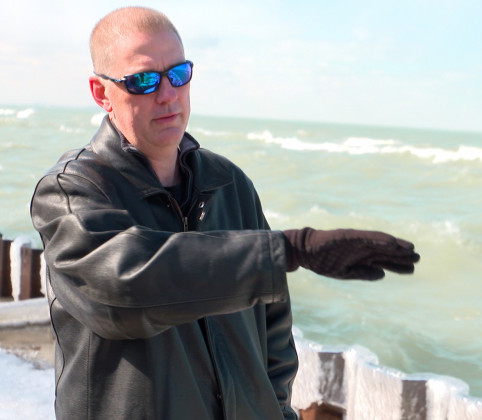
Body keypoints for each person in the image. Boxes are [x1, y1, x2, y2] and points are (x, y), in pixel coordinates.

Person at [29, 7, 419, 420]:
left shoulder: (228, 182)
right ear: (101, 92)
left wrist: (276, 410)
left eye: (178, 74)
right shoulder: (71, 192)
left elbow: (274, 334)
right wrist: (290, 249)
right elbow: (124, 290)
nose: (167, 94)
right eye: (143, 81)